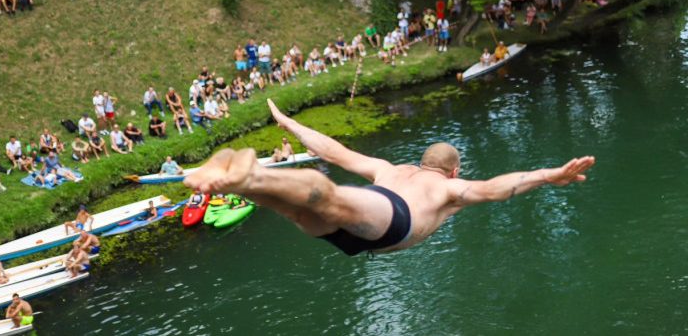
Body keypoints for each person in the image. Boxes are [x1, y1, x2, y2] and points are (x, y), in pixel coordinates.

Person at [183, 99, 595, 256]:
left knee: (300, 209)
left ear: (421, 161)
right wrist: (548, 175)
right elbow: (496, 189)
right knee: (323, 199)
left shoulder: (389, 168)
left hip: (365, 229)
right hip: (392, 221)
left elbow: (333, 151)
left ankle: (245, 182)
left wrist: (290, 124)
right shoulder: (448, 187)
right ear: (454, 170)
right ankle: (250, 175)